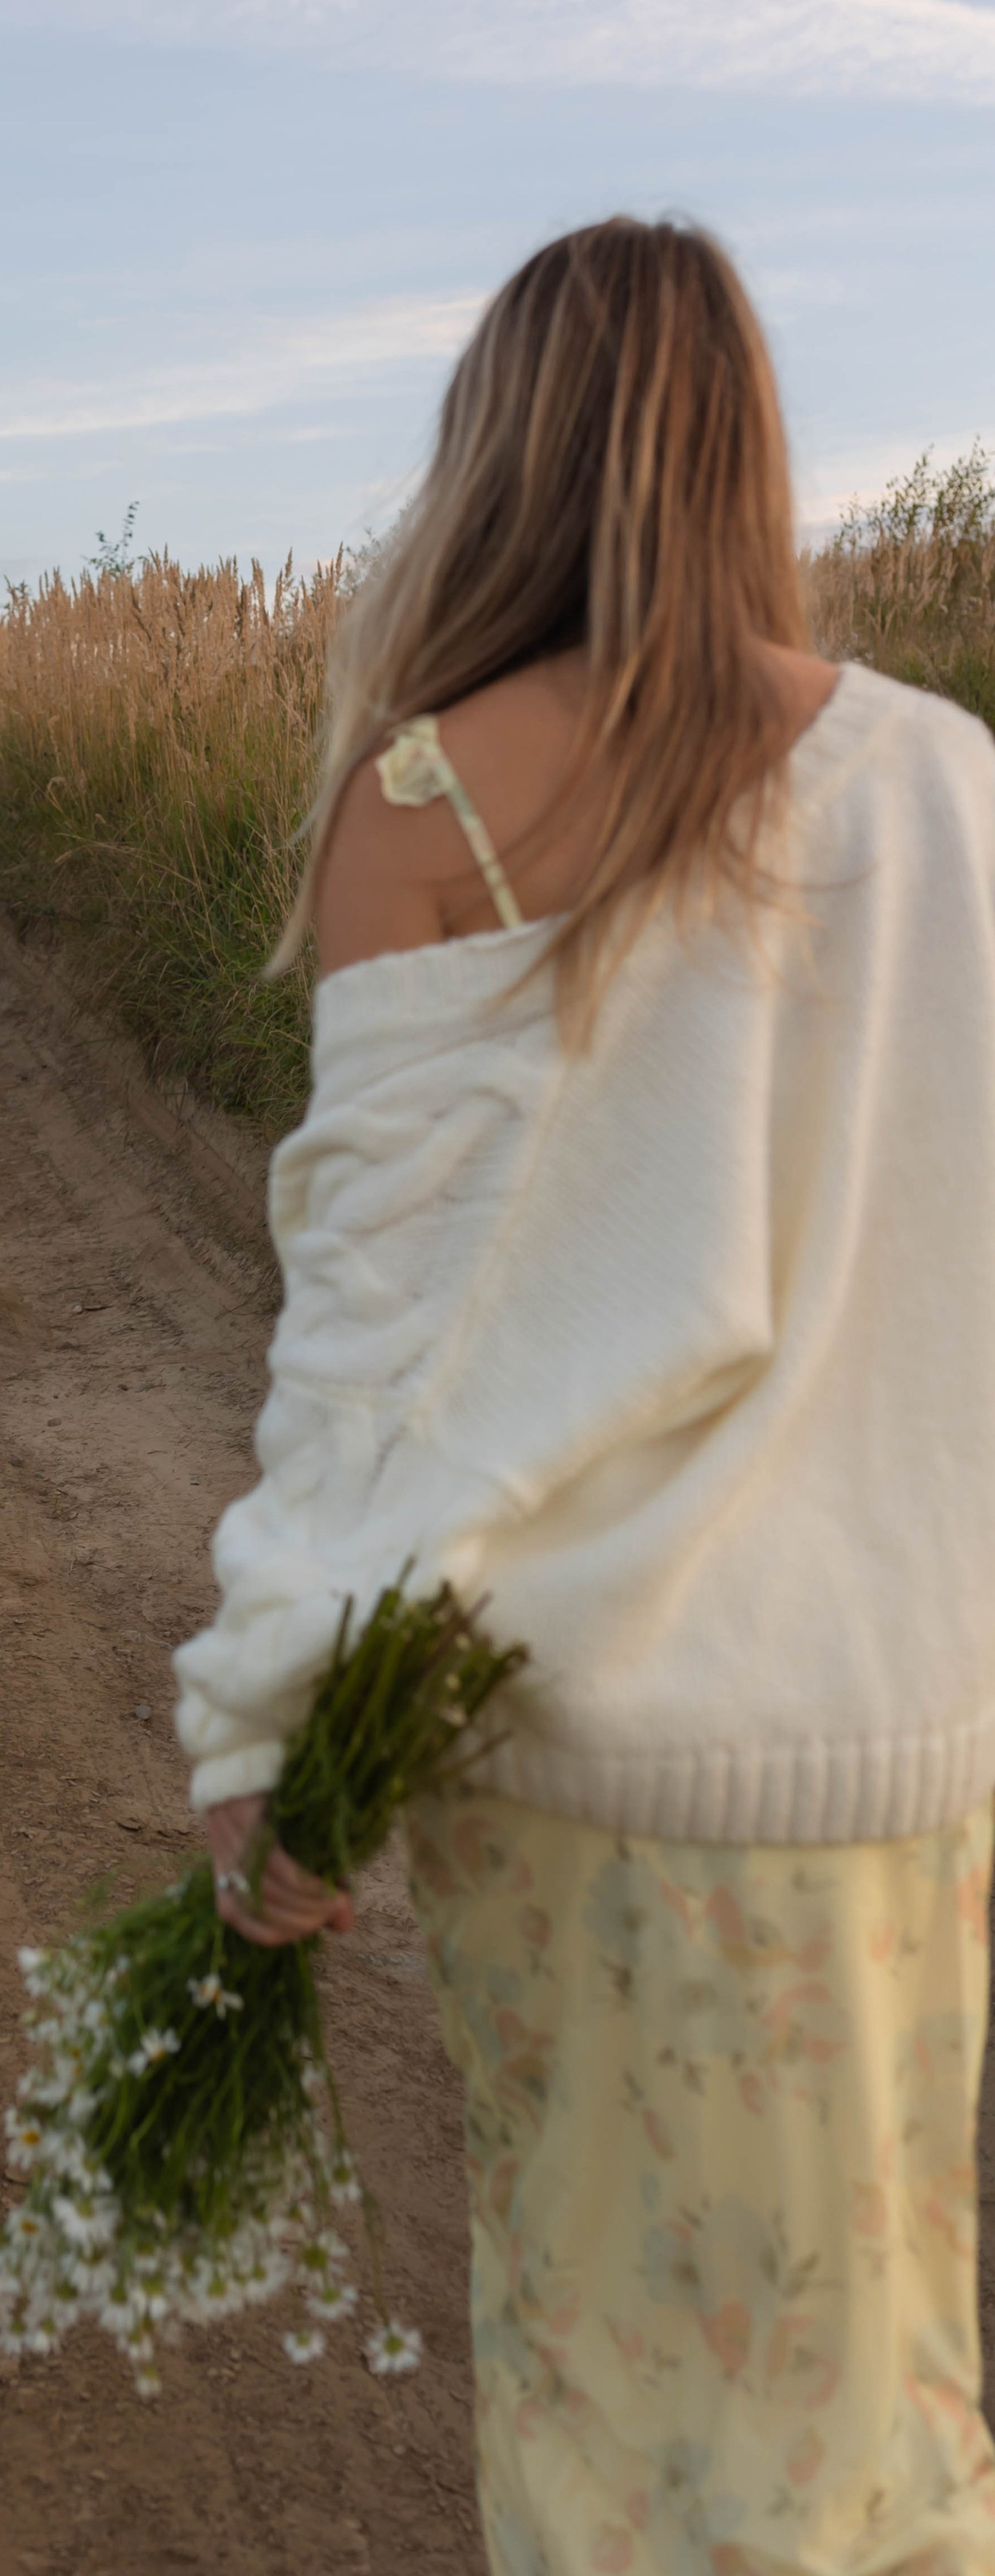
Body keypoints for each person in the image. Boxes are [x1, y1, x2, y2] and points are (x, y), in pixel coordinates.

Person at [174, 216, 995, 2567]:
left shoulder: (431, 796)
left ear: (493, 451)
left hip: (595, 1774)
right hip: (917, 1753)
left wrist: (262, 1719)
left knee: (628, 2435)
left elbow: (377, 1340)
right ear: (748, 442)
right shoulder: (948, 782)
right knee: (888, 2420)